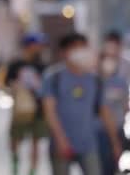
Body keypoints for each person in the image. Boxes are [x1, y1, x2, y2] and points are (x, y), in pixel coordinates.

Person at [42, 33, 122, 175]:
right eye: (75, 48)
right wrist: (60, 139)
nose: (80, 52)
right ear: (64, 52)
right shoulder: (54, 77)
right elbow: (50, 111)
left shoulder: (95, 80)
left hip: (88, 144)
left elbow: (104, 112)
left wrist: (114, 143)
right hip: (61, 143)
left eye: (82, 47)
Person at [4, 33, 48, 175]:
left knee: (36, 141)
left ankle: (33, 171)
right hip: (21, 108)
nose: (39, 48)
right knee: (15, 139)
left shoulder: (43, 65)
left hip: (39, 109)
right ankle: (15, 164)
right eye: (37, 45)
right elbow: (6, 82)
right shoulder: (16, 64)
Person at [96, 40, 129, 175]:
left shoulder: (120, 81)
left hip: (118, 128)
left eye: (113, 57)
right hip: (99, 132)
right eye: (106, 57)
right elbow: (103, 110)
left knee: (114, 165)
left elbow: (124, 105)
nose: (110, 61)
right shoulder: (94, 80)